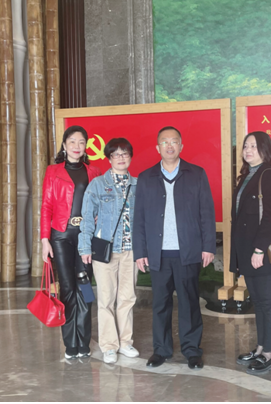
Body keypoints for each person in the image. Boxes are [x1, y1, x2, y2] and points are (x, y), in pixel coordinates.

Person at [132, 126, 216, 370]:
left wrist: (208, 246)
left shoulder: (196, 174)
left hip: (188, 251)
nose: (169, 146)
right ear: (158, 147)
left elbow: (206, 213)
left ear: (181, 146)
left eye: (174, 141)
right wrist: (141, 252)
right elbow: (139, 218)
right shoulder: (146, 177)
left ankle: (192, 351)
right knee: (160, 304)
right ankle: (161, 350)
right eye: (165, 142)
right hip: (158, 253)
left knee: (189, 302)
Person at [229, 131, 271, 375]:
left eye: (253, 146)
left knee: (268, 302)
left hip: (261, 251)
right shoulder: (247, 175)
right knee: (259, 302)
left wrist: (259, 249)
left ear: (265, 149)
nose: (248, 150)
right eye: (245, 146)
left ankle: (269, 353)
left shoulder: (269, 175)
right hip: (248, 251)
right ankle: (261, 347)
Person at [41, 125, 102, 360]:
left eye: (81, 142)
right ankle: (70, 343)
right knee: (67, 288)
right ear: (65, 145)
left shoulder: (94, 171)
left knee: (85, 286)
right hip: (61, 236)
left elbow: (100, 203)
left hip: (86, 237)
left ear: (86, 146)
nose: (77, 146)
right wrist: (45, 239)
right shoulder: (53, 171)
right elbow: (46, 206)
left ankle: (84, 341)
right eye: (72, 141)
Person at [78, 138, 139, 364]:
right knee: (106, 298)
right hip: (105, 250)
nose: (121, 158)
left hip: (131, 250)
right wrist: (85, 247)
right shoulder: (97, 185)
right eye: (116, 154)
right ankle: (109, 346)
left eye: (125, 153)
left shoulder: (138, 185)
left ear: (130, 157)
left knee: (127, 297)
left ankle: (125, 342)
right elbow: (87, 218)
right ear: (109, 158)